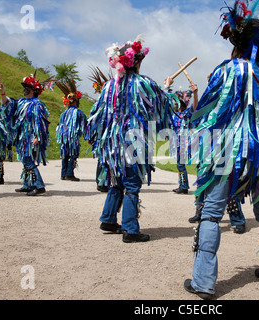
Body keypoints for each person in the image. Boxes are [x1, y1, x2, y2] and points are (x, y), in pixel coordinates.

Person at [184, 0, 259, 299]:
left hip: (226, 152)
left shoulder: (226, 70)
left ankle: (204, 282)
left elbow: (206, 111)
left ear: (234, 42)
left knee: (211, 212)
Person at [87, 36, 179, 243]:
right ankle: (130, 229)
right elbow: (163, 104)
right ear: (136, 62)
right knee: (132, 183)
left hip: (113, 143)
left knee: (117, 181)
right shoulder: (144, 83)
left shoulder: (109, 86)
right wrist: (167, 87)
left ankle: (109, 219)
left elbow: (98, 113)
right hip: (134, 141)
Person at [0, 73, 50, 196]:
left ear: (33, 90)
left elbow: (42, 122)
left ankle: (39, 185)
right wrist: (3, 92)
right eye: (24, 87)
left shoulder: (37, 104)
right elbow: (7, 104)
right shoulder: (20, 102)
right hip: (22, 137)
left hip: (31, 137)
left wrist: (38, 136)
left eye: (27, 87)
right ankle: (27, 184)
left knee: (29, 160)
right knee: (24, 159)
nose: (24, 89)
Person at [56, 78, 87, 181]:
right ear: (76, 101)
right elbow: (85, 124)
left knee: (65, 154)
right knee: (74, 154)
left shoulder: (63, 113)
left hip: (63, 137)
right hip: (73, 137)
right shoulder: (78, 113)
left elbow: (59, 125)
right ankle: (69, 173)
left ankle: (63, 173)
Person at [170, 86, 198, 195]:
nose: (175, 104)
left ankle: (184, 186)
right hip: (176, 142)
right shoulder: (175, 114)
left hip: (183, 142)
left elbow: (195, 106)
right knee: (179, 165)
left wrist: (195, 94)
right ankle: (182, 185)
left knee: (180, 165)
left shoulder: (186, 113)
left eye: (176, 102)